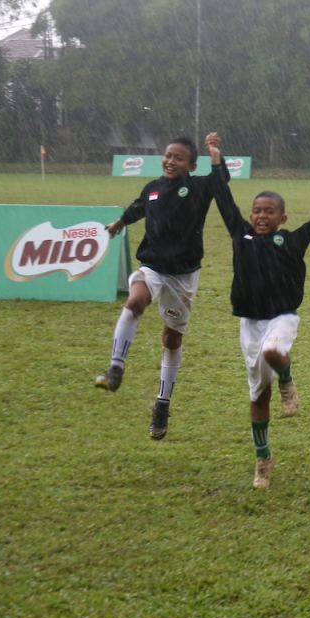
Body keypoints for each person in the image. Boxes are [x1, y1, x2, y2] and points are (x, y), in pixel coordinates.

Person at [205, 132, 310, 489]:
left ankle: (287, 381)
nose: (261, 215)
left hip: (283, 316)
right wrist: (217, 161)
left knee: (274, 351)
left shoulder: (292, 241)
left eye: (269, 211)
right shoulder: (241, 235)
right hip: (250, 324)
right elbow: (223, 199)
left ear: (282, 217)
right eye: (257, 210)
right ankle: (263, 457)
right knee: (258, 396)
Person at [94, 135, 229, 441]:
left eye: (179, 158)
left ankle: (162, 404)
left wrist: (216, 155)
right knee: (135, 302)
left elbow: (222, 181)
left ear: (192, 166)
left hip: (182, 276)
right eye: (168, 155)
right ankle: (116, 368)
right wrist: (119, 223)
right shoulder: (153, 187)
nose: (170, 161)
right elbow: (138, 207)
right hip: (153, 266)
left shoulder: (198, 188)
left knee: (171, 339)